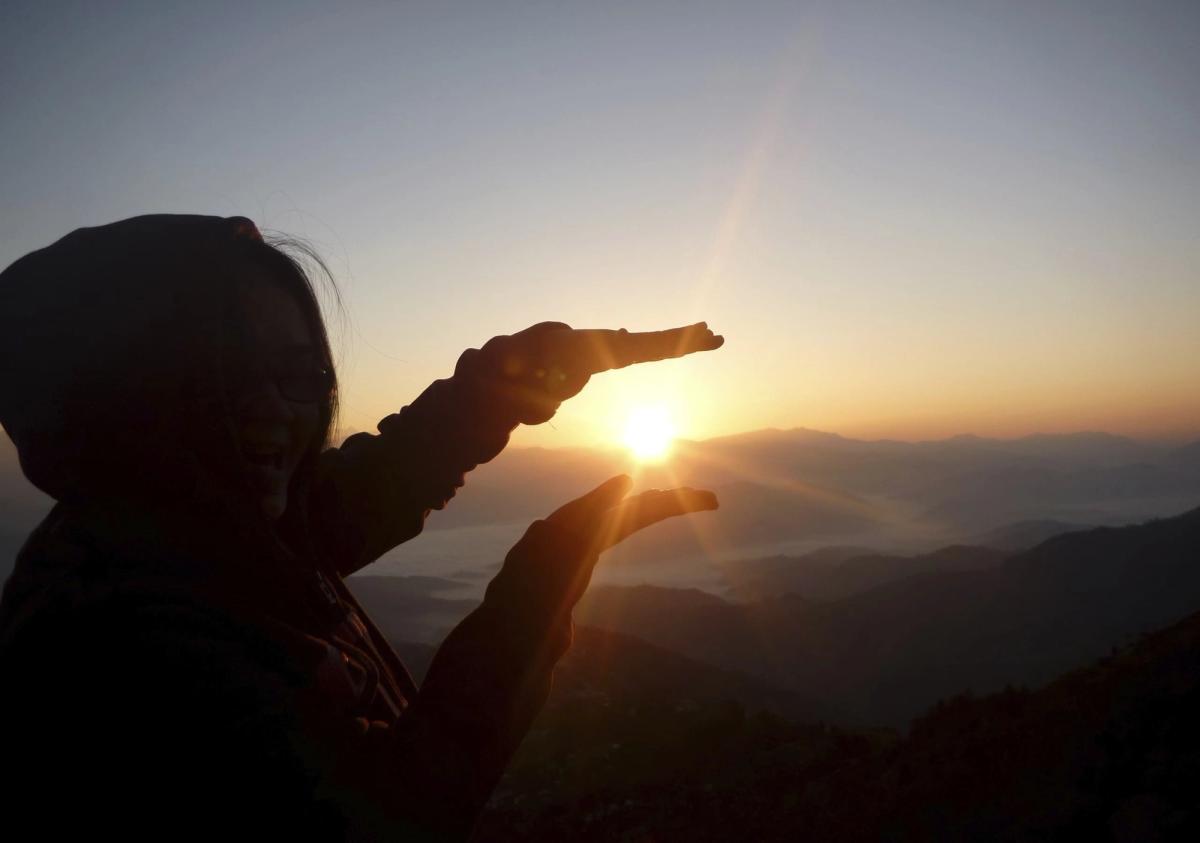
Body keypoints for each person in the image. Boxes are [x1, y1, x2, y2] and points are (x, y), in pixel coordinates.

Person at [0, 214, 723, 841]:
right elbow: (391, 818)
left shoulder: (195, 535)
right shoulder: (118, 643)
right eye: (220, 376)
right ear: (110, 397)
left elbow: (362, 494)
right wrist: (541, 585)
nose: (275, 410)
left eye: (300, 373)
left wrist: (499, 387)